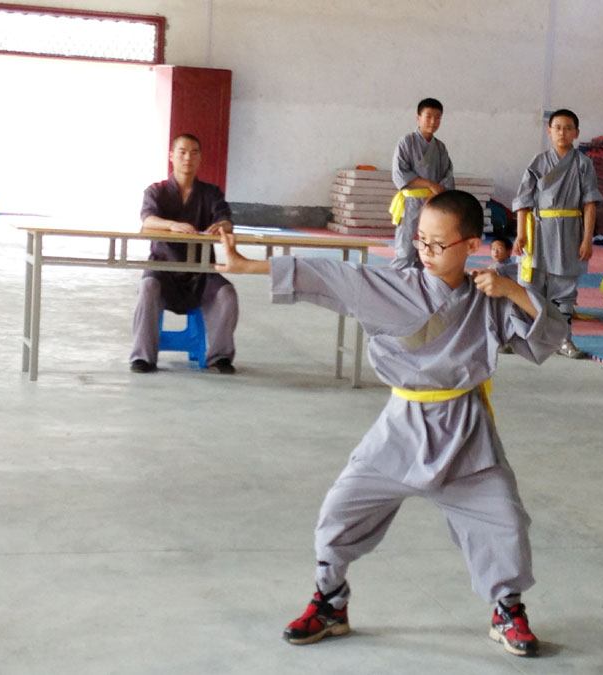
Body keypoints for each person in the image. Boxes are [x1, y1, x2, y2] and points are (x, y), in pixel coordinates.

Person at [216, 190, 569, 658]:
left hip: (465, 430)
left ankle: (507, 609)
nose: (426, 252)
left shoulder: (489, 295)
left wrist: (514, 291)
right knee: (339, 513)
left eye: (438, 244)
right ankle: (330, 600)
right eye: (420, 239)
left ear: (469, 245)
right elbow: (330, 274)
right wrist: (245, 265)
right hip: (401, 426)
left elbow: (554, 335)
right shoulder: (396, 286)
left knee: (503, 520)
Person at [129, 133, 238, 374]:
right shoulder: (155, 191)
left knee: (227, 293)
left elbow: (226, 221)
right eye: (182, 152)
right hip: (163, 270)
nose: (188, 157)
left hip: (201, 272)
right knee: (148, 288)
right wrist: (171, 225)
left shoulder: (211, 193)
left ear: (200, 158)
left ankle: (219, 357)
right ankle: (143, 357)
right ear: (171, 156)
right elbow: (148, 220)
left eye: (194, 152)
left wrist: (222, 226)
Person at [512, 108, 603, 358]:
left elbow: (590, 203)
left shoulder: (583, 164)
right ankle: (522, 336)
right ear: (549, 131)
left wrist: (587, 239)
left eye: (568, 128)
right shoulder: (538, 162)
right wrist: (521, 234)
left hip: (570, 228)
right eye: (558, 127)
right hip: (538, 228)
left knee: (565, 287)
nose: (562, 132)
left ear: (576, 133)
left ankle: (564, 340)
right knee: (530, 284)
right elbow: (523, 200)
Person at [389, 98, 455, 270]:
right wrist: (429, 184)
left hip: (433, 205)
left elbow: (447, 177)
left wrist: (434, 194)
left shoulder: (440, 148)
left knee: (428, 252)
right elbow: (400, 174)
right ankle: (395, 288)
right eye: (428, 116)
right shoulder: (406, 142)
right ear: (418, 118)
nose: (433, 121)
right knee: (405, 252)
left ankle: (421, 291)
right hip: (411, 204)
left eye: (438, 117)